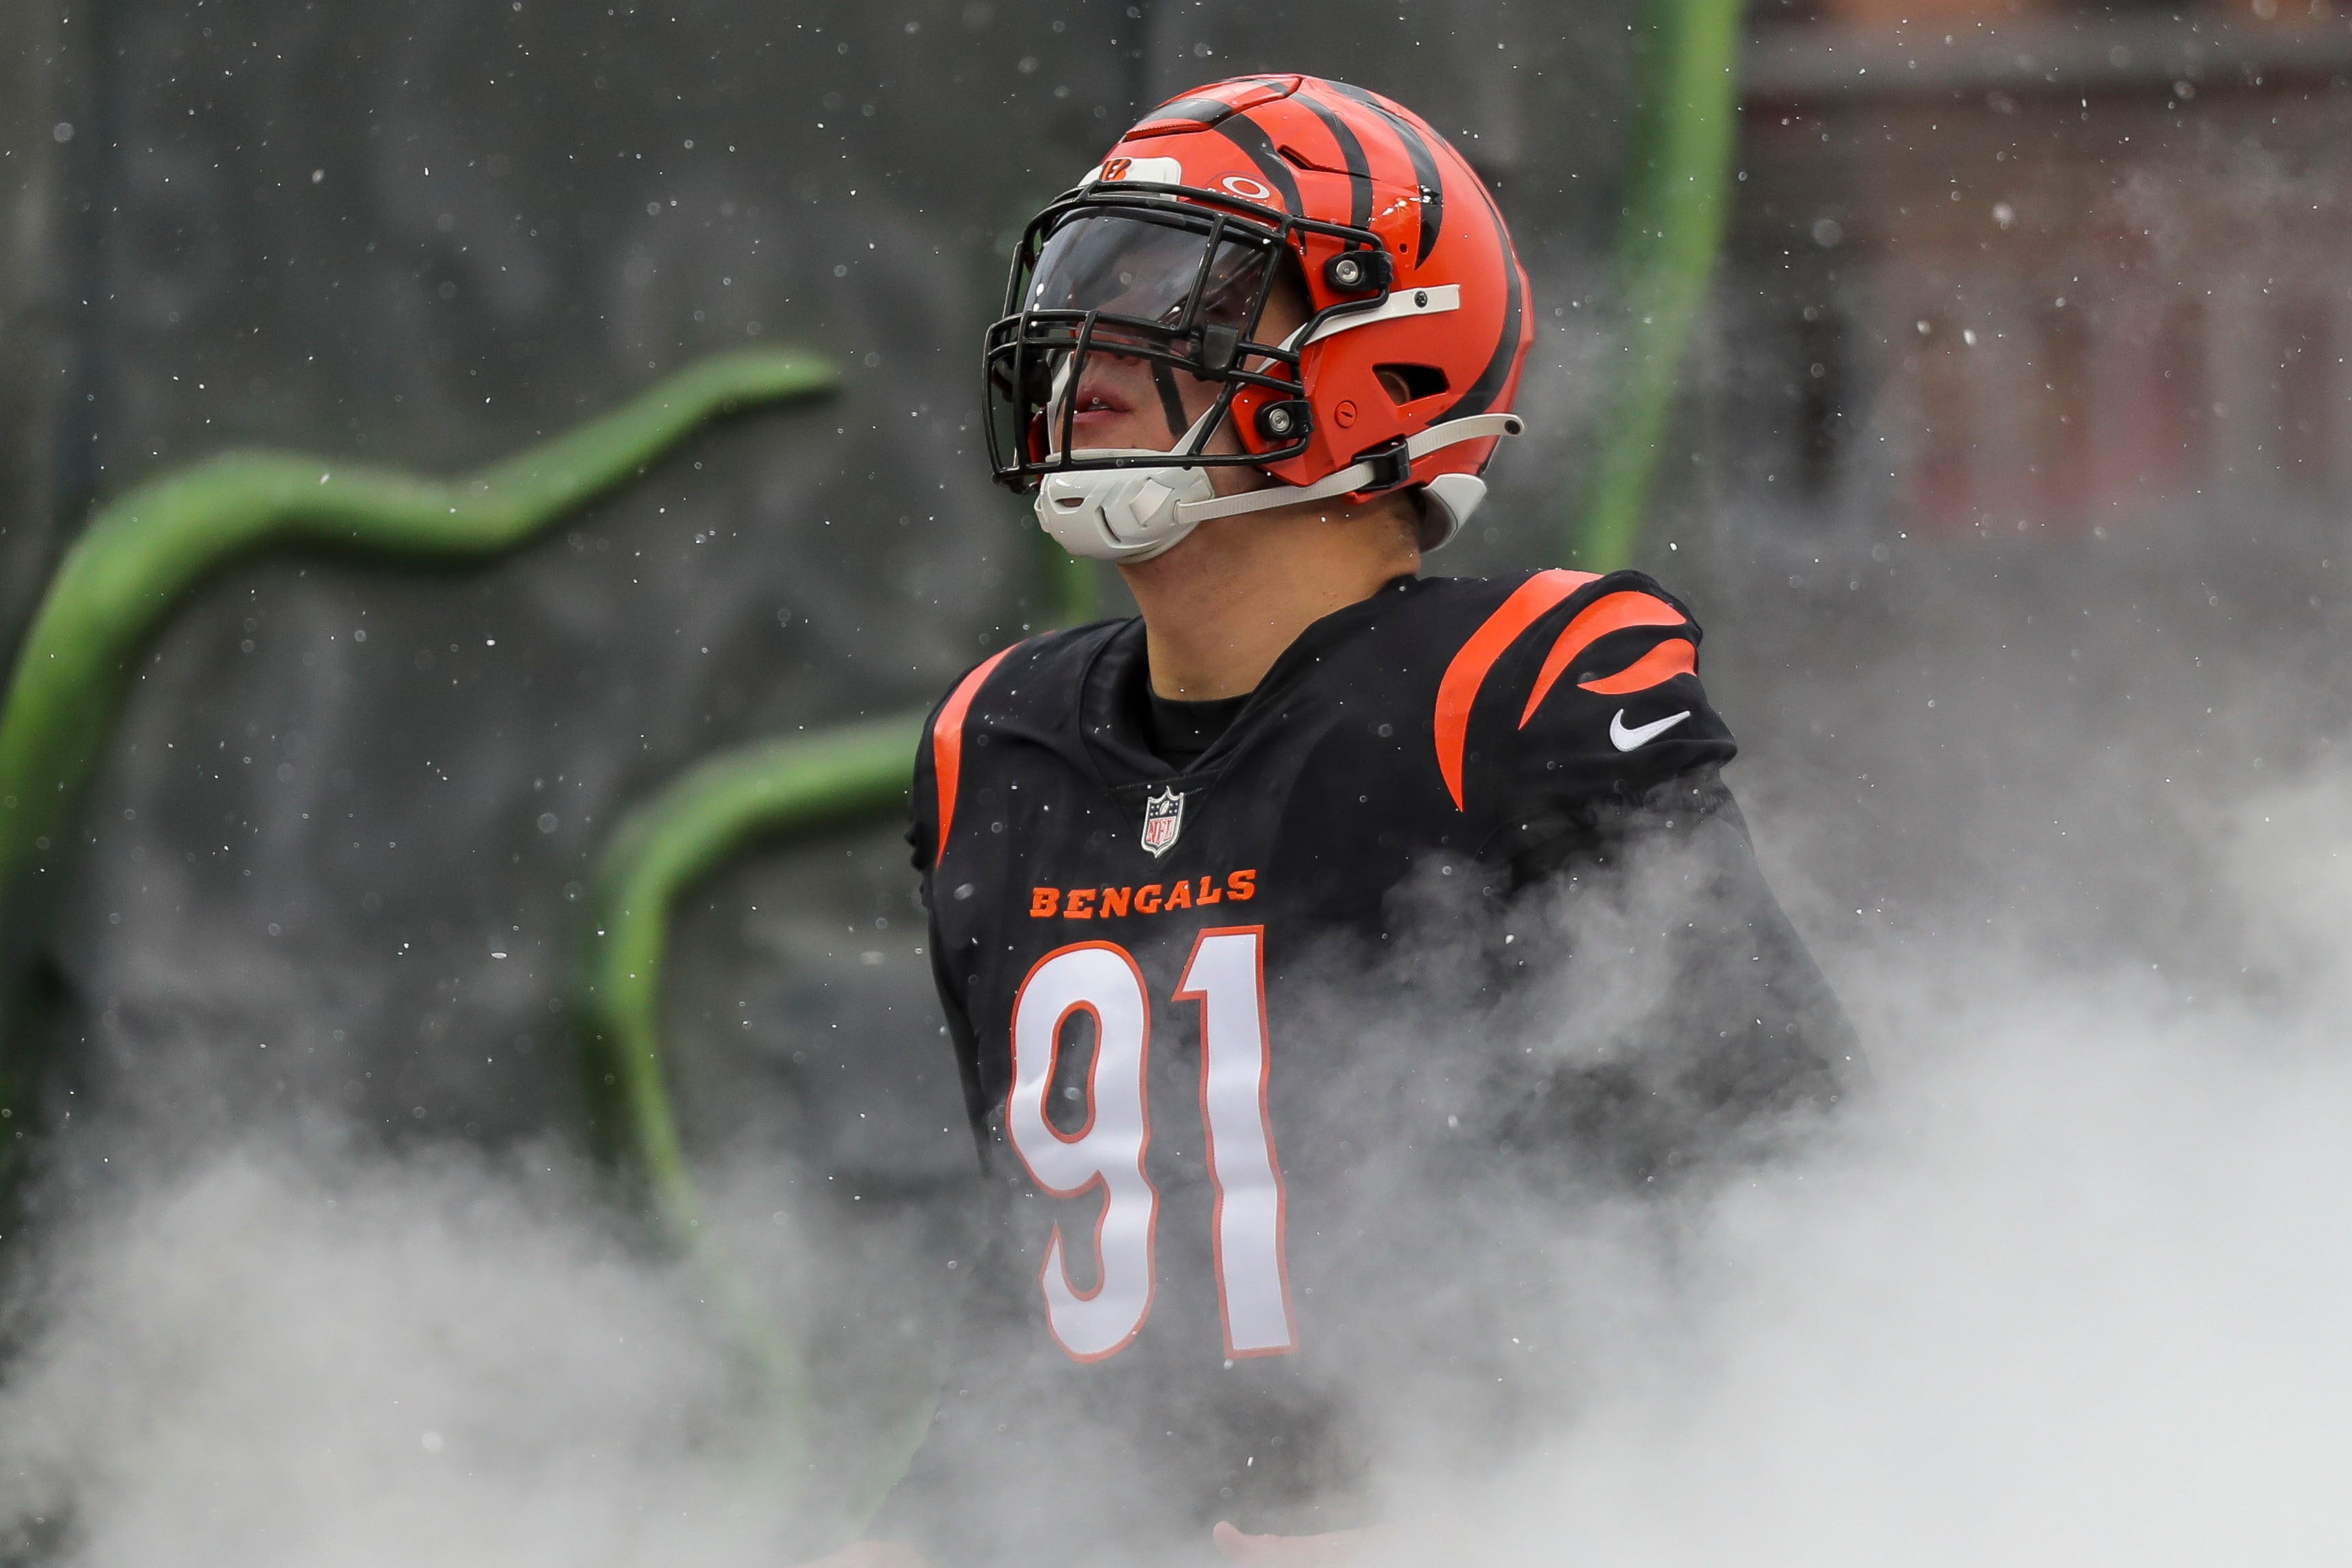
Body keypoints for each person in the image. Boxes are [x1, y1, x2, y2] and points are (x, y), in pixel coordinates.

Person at [829, 74, 1855, 1568]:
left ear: (1375, 349)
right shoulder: (996, 744)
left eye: (1169, 285)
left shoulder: (1502, 700)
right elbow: (1041, 1303)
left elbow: (1801, 1215)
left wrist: (1474, 1519)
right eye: (1079, 281)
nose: (1084, 341)